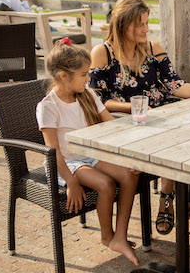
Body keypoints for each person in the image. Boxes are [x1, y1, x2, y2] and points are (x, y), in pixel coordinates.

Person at [89, 0, 190, 243]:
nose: (146, 29)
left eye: (147, 23)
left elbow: (174, 85)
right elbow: (97, 101)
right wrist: (135, 107)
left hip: (160, 116)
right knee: (181, 147)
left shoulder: (153, 49)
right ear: (122, 24)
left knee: (188, 140)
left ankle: (168, 194)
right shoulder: (102, 53)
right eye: (140, 24)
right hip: (125, 122)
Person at [36, 39, 140, 266]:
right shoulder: (48, 106)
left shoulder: (88, 95)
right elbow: (53, 152)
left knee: (130, 174)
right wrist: (71, 182)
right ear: (64, 76)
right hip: (67, 163)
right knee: (105, 184)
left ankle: (119, 236)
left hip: (91, 155)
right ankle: (106, 237)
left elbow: (110, 126)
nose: (88, 79)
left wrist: (127, 156)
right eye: (84, 74)